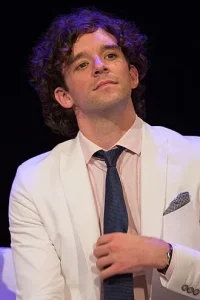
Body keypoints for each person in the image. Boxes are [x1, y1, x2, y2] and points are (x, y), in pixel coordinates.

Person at [8, 6, 200, 300]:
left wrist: (166, 256)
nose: (100, 65)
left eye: (110, 55)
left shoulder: (195, 157)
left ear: (133, 75)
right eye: (81, 65)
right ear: (65, 96)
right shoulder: (34, 181)